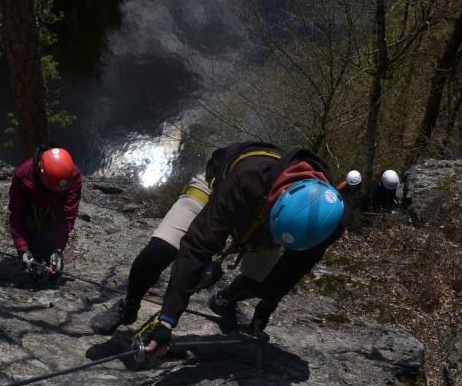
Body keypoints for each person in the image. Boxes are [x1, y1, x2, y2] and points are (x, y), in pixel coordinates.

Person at [89, 141, 347, 357]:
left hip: (265, 224)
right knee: (160, 250)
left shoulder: (328, 219)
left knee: (263, 281)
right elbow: (197, 246)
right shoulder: (248, 178)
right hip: (218, 188)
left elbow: (297, 265)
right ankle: (130, 304)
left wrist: (268, 302)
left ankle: (224, 300)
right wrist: (168, 319)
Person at [9, 143, 83, 278]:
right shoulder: (23, 176)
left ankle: (52, 259)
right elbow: (17, 214)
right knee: (33, 251)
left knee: (51, 250)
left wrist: (58, 250)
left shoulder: (72, 176)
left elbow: (67, 216)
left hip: (54, 211)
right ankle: (32, 258)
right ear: (41, 171)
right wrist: (23, 249)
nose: (57, 191)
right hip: (32, 209)